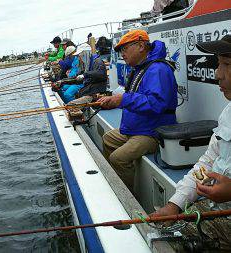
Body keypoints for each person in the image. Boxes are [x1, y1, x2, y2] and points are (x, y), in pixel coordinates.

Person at [151, 34, 231, 251]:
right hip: (216, 206)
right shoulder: (228, 112)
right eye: (218, 64)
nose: (217, 74)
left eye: (227, 64)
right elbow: (209, 161)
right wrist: (175, 204)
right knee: (160, 234)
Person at [98, 30, 178, 192]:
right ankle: (115, 181)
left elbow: (156, 104)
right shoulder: (141, 68)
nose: (123, 54)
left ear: (141, 46)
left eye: (125, 49)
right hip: (139, 127)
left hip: (152, 132)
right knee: (108, 138)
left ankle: (126, 196)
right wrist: (115, 101)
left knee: (118, 158)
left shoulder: (158, 69)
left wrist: (122, 100)